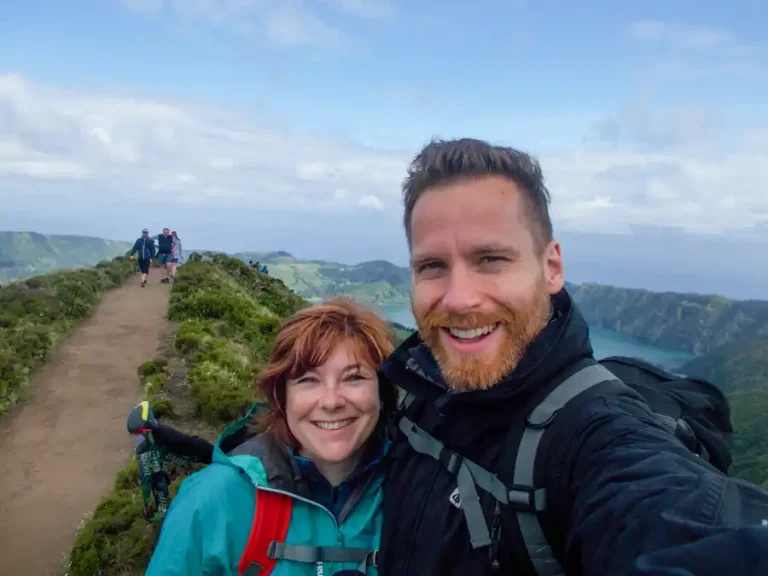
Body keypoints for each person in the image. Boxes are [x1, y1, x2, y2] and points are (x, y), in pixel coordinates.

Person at [376, 138, 768, 575]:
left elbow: (680, 522)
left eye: (490, 258)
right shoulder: (419, 396)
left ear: (552, 267)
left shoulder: (594, 436)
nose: (459, 298)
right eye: (431, 266)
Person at [145, 298, 398, 575]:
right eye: (308, 380)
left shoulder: (420, 493)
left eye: (354, 378)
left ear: (382, 395)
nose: (331, 401)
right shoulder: (210, 503)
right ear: (282, 398)